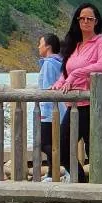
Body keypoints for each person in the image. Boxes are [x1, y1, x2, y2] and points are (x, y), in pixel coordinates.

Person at [54, 5, 102, 182]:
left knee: (93, 148)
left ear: (96, 22)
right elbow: (66, 70)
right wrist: (60, 82)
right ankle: (80, 180)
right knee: (63, 146)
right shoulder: (74, 44)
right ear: (77, 21)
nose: (86, 22)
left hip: (93, 105)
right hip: (73, 106)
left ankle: (98, 184)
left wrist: (76, 74)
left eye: (90, 19)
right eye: (82, 18)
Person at [37, 33, 64, 174]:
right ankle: (52, 172)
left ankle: (63, 166)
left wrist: (44, 112)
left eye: (40, 43)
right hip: (60, 109)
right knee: (52, 142)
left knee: (44, 143)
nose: (38, 46)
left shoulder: (48, 64)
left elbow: (47, 89)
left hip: (49, 111)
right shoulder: (58, 63)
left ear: (48, 46)